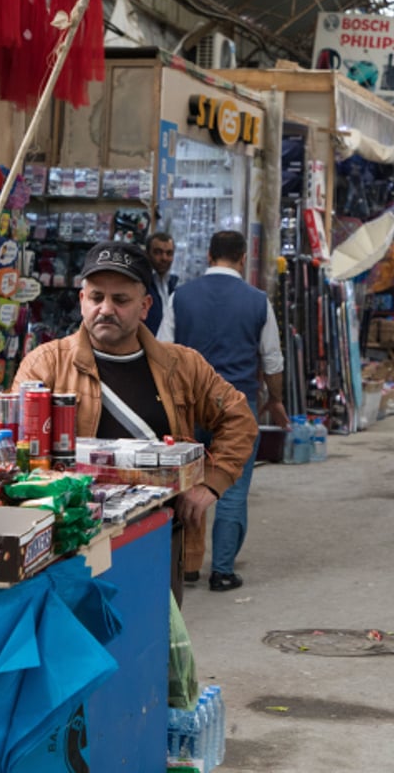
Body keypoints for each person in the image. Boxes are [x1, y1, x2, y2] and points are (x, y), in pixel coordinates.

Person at [13, 241, 258, 594]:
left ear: (145, 306)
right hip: (71, 547)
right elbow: (13, 448)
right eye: (96, 297)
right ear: (82, 300)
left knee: (154, 643)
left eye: (121, 300)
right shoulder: (45, 365)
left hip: (159, 539)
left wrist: (211, 483)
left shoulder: (182, 365)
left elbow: (239, 418)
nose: (105, 309)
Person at [161, 230, 288, 593]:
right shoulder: (258, 301)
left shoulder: (180, 296)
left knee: (183, 483)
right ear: (243, 257)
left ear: (209, 256)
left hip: (187, 405)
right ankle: (222, 571)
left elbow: (163, 351)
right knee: (230, 486)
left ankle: (184, 566)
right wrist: (275, 400)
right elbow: (273, 358)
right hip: (236, 406)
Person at [142, 232, 178, 336]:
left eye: (169, 253)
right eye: (158, 252)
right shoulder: (141, 285)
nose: (164, 258)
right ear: (147, 254)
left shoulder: (173, 285)